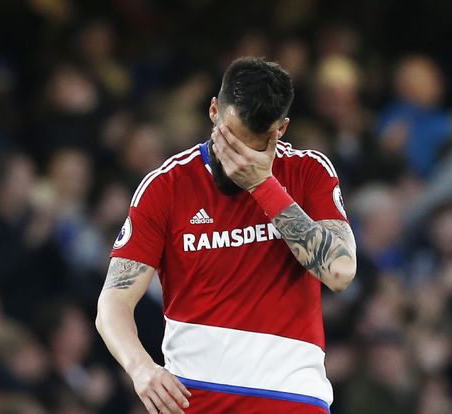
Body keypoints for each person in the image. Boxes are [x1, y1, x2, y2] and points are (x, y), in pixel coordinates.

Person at [95, 57, 357, 414]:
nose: (238, 156)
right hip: (197, 400)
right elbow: (113, 302)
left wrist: (263, 185)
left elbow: (340, 272)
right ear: (214, 110)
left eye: (254, 146)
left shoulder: (308, 172)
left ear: (280, 130)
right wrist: (141, 369)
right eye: (230, 138)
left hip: (293, 398)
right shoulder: (166, 186)